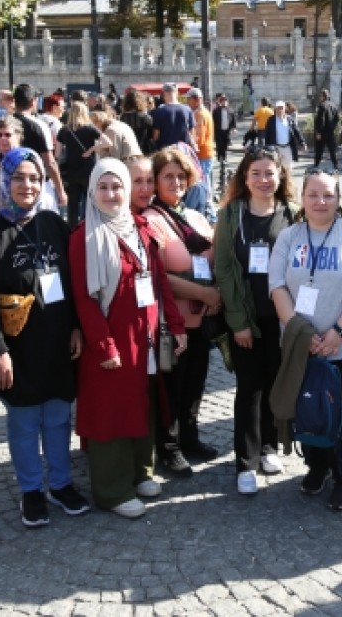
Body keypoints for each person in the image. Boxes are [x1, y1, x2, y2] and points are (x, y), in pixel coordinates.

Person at [0, 147, 88, 528]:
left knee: (56, 415)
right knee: (23, 420)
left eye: (35, 178)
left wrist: (75, 327)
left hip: (56, 339)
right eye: (18, 178)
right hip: (16, 343)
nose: (27, 185)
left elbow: (70, 282)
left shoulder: (53, 223)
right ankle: (32, 490)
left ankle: (61, 483)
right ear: (4, 181)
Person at [70, 159, 186, 518]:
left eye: (116, 186)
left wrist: (176, 325)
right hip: (112, 338)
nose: (110, 194)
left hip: (145, 334)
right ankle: (112, 489)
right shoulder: (83, 237)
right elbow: (84, 299)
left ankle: (141, 471)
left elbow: (159, 281)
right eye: (103, 187)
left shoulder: (140, 227)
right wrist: (103, 344)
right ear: (92, 191)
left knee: (142, 402)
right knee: (112, 411)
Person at [270, 169, 342, 510]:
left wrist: (339, 333)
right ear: (301, 198)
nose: (321, 201)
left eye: (329, 195)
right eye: (313, 195)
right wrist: (299, 333)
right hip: (299, 345)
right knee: (308, 407)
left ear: (339, 198)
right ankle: (316, 466)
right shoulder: (289, 237)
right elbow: (277, 286)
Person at [213, 146, 297, 494]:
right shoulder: (231, 214)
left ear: (280, 176)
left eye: (270, 173)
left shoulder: (291, 213)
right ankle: (245, 461)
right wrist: (238, 322)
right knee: (249, 388)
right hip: (247, 315)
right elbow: (225, 270)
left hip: (282, 317)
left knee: (276, 382)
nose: (264, 180)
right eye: (256, 174)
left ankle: (268, 447)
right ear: (244, 178)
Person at [141, 147, 220, 476]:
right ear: (155, 181)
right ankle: (168, 447)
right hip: (172, 322)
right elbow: (156, 276)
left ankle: (190, 437)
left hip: (201, 319)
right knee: (171, 386)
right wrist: (203, 292)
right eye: (168, 176)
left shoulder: (196, 216)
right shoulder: (151, 219)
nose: (176, 181)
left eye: (181, 176)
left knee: (195, 383)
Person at [11, 84, 68, 211]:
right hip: (37, 184)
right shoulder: (38, 126)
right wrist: (60, 190)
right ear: (33, 102)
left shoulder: (5, 122)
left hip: (11, 181)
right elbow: (50, 162)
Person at [56, 102, 102, 228]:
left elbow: (57, 153)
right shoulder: (90, 129)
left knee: (72, 205)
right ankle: (87, 227)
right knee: (89, 203)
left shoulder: (64, 130)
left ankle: (72, 230)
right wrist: (91, 150)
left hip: (71, 171)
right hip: (88, 170)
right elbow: (108, 142)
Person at [150, 83, 195, 150]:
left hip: (165, 152)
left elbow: (156, 136)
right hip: (183, 151)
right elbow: (191, 134)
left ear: (164, 94)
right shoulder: (187, 109)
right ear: (177, 93)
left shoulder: (158, 111)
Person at [262, 101, 305, 170]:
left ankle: (287, 180)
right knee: (276, 168)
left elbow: (296, 131)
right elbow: (267, 134)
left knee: (288, 168)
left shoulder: (289, 119)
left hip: (287, 147)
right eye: (278, 108)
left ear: (285, 109)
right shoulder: (271, 120)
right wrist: (267, 147)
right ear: (275, 109)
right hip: (276, 148)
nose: (280, 110)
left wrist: (302, 142)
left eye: (281, 108)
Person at [185, 88, 215, 184]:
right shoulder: (203, 112)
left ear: (196, 100)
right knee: (205, 182)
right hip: (205, 153)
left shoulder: (200, 115)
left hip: (202, 154)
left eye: (189, 99)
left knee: (201, 183)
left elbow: (199, 138)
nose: (187, 101)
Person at [120, 90, 155, 154]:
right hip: (144, 149)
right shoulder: (145, 117)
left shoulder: (122, 117)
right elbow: (152, 134)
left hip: (128, 149)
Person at [313, 89, 340, 168]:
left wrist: (318, 132)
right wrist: (332, 127)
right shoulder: (333, 105)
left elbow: (321, 120)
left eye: (320, 96)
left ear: (324, 97)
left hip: (322, 132)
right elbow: (337, 118)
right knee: (332, 149)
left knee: (319, 149)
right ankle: (335, 164)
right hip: (330, 132)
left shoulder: (321, 106)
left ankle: (316, 164)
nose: (319, 97)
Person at [212, 93, 236, 163]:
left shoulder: (230, 111)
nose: (224, 103)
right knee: (219, 144)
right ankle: (220, 157)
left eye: (225, 101)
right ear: (220, 102)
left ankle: (224, 157)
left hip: (227, 131)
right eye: (223, 101)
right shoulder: (216, 111)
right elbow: (213, 121)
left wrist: (233, 128)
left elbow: (233, 120)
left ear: (227, 102)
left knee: (225, 144)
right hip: (218, 131)